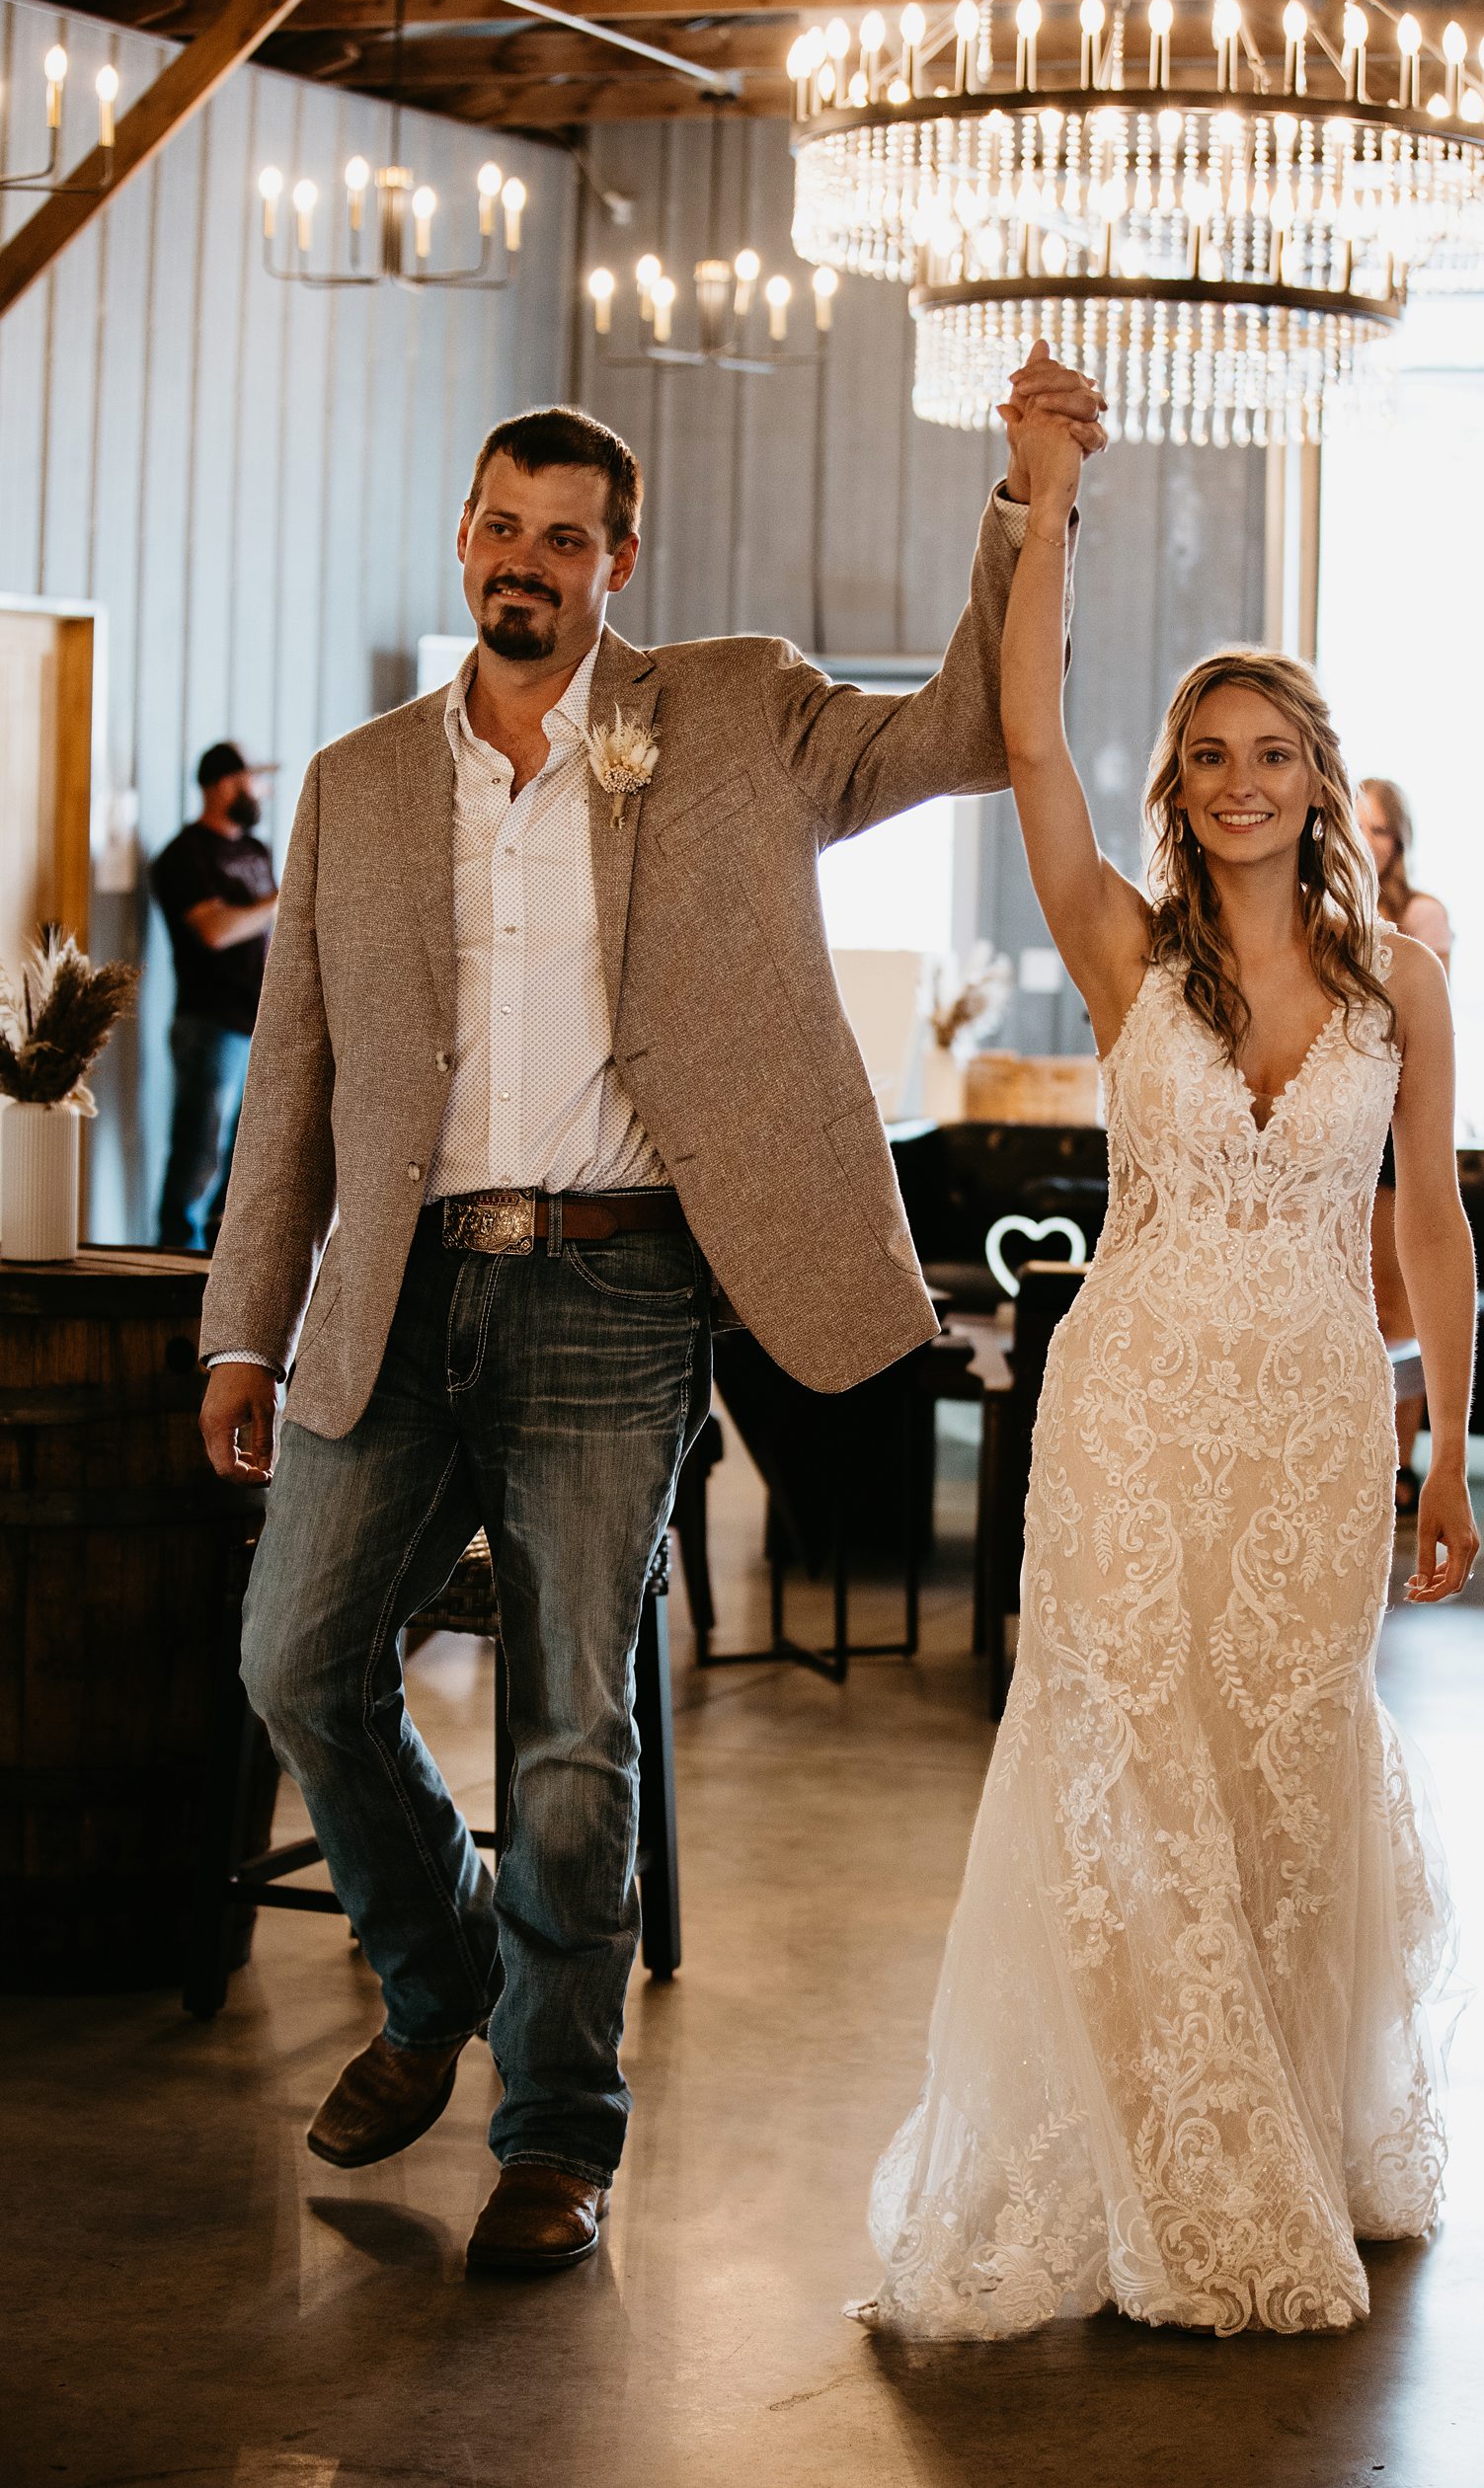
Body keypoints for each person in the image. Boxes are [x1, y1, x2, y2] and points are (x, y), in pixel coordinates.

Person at [195, 365, 1108, 2277]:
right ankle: (435, 1970)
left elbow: (959, 728)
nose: (525, 563)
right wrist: (239, 1333)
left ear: (623, 561)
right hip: (393, 1292)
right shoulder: (358, 789)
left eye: (565, 537)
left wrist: (1028, 500)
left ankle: (552, 2131)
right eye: (499, 527)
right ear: (463, 539)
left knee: (567, 1728)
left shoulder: (730, 713)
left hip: (619, 1288)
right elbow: (289, 1089)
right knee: (293, 1658)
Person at [855, 405, 1479, 2341]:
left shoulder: (1401, 992)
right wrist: (1045, 498)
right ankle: (1165, 2159)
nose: (1234, 782)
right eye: (1205, 755)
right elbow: (1028, 738)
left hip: (1307, 1421)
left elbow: (1430, 1223)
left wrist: (1447, 1450)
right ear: (1181, 784)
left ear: (1321, 784)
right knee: (1122, 1766)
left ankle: (1286, 2112)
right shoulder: (1124, 954)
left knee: (1278, 1770)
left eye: (1268, 754)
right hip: (1125, 1412)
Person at [1356, 778, 1453, 1516]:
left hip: (1393, 1124)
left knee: (1397, 1306)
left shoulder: (1417, 916)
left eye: (1379, 830)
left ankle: (1399, 1465)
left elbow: (1408, 1011)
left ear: (1400, 840)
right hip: (1340, 1122)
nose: (1366, 841)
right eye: (1354, 825)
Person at [150, 742, 279, 1249]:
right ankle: (173, 1257)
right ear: (226, 783)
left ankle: (218, 1260)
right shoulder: (185, 856)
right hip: (210, 1025)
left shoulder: (255, 849)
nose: (260, 791)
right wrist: (281, 897)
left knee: (241, 1158)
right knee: (198, 1152)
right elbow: (216, 930)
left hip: (258, 1023)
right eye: (253, 779)